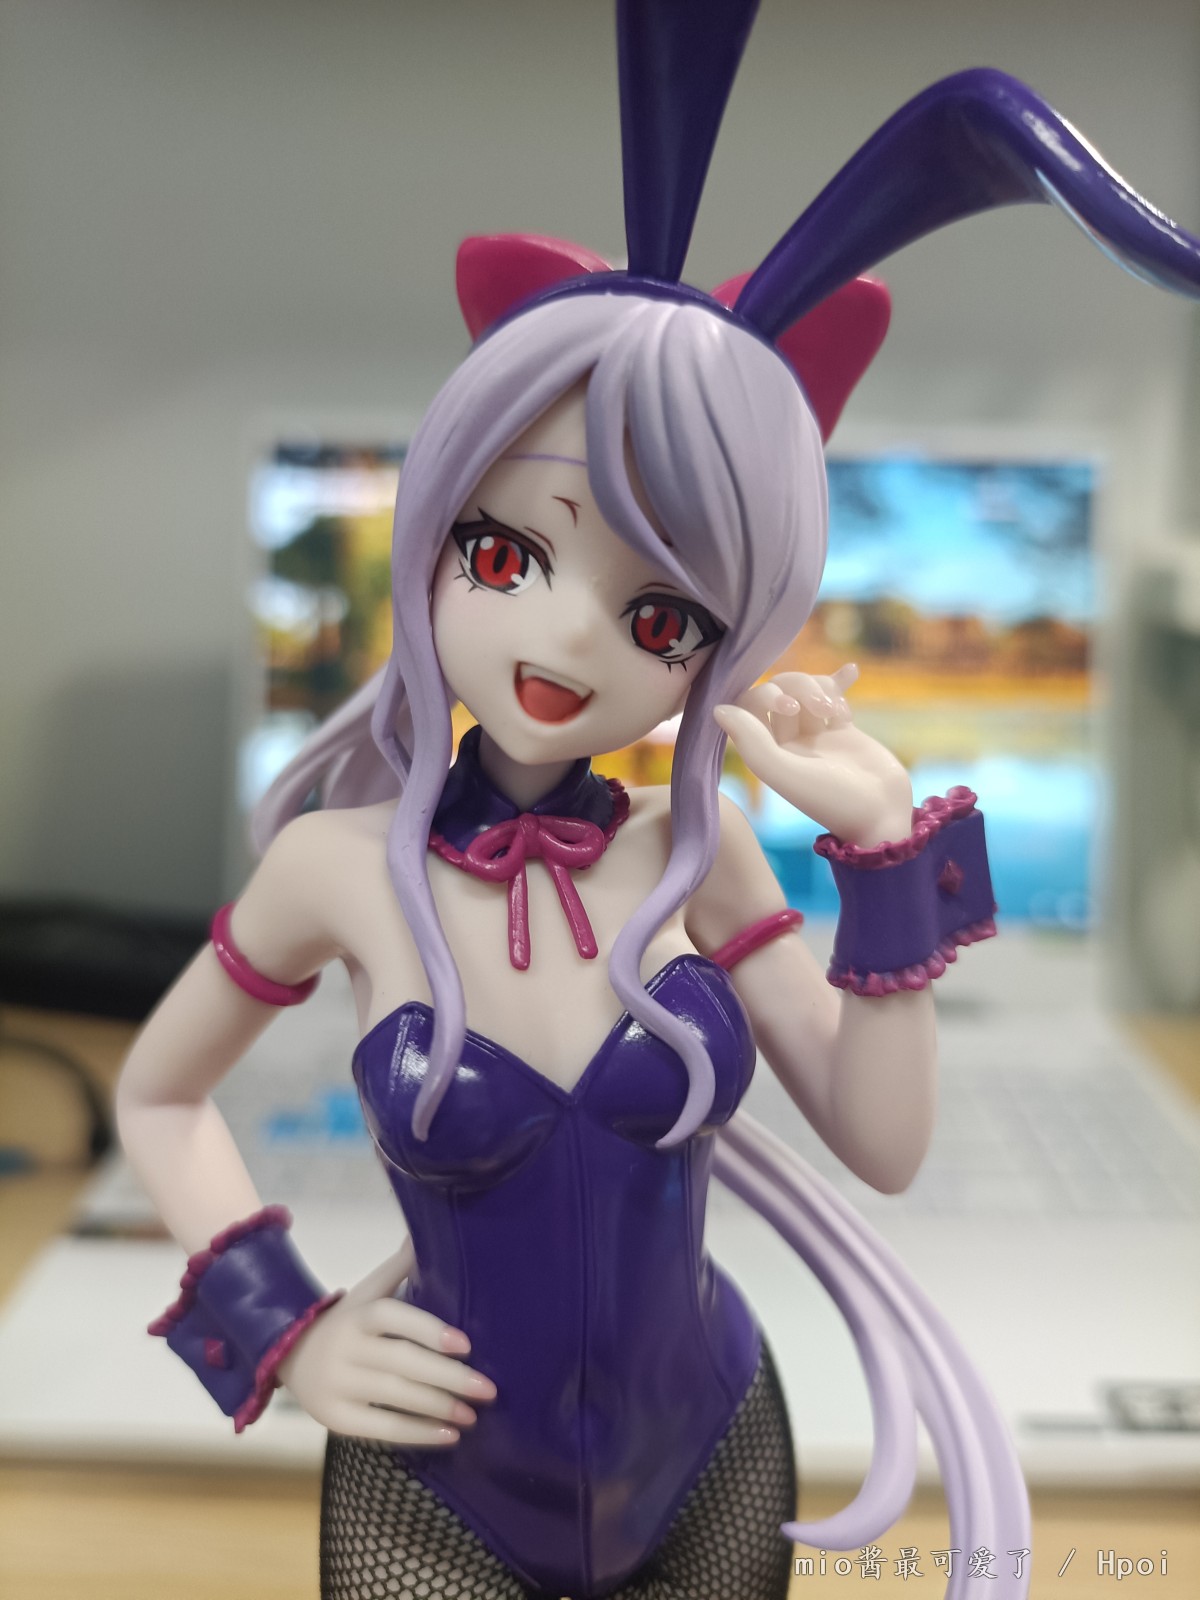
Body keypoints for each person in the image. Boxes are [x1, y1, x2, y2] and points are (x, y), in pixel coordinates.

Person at [116, 5, 1200, 1597]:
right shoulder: (336, 871)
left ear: (724, 640)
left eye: (662, 613)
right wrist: (287, 1329)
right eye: (508, 552)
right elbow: (158, 1097)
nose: (569, 639)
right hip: (436, 1480)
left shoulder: (701, 851)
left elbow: (885, 1141)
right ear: (432, 531)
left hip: (710, 1449)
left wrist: (879, 841)